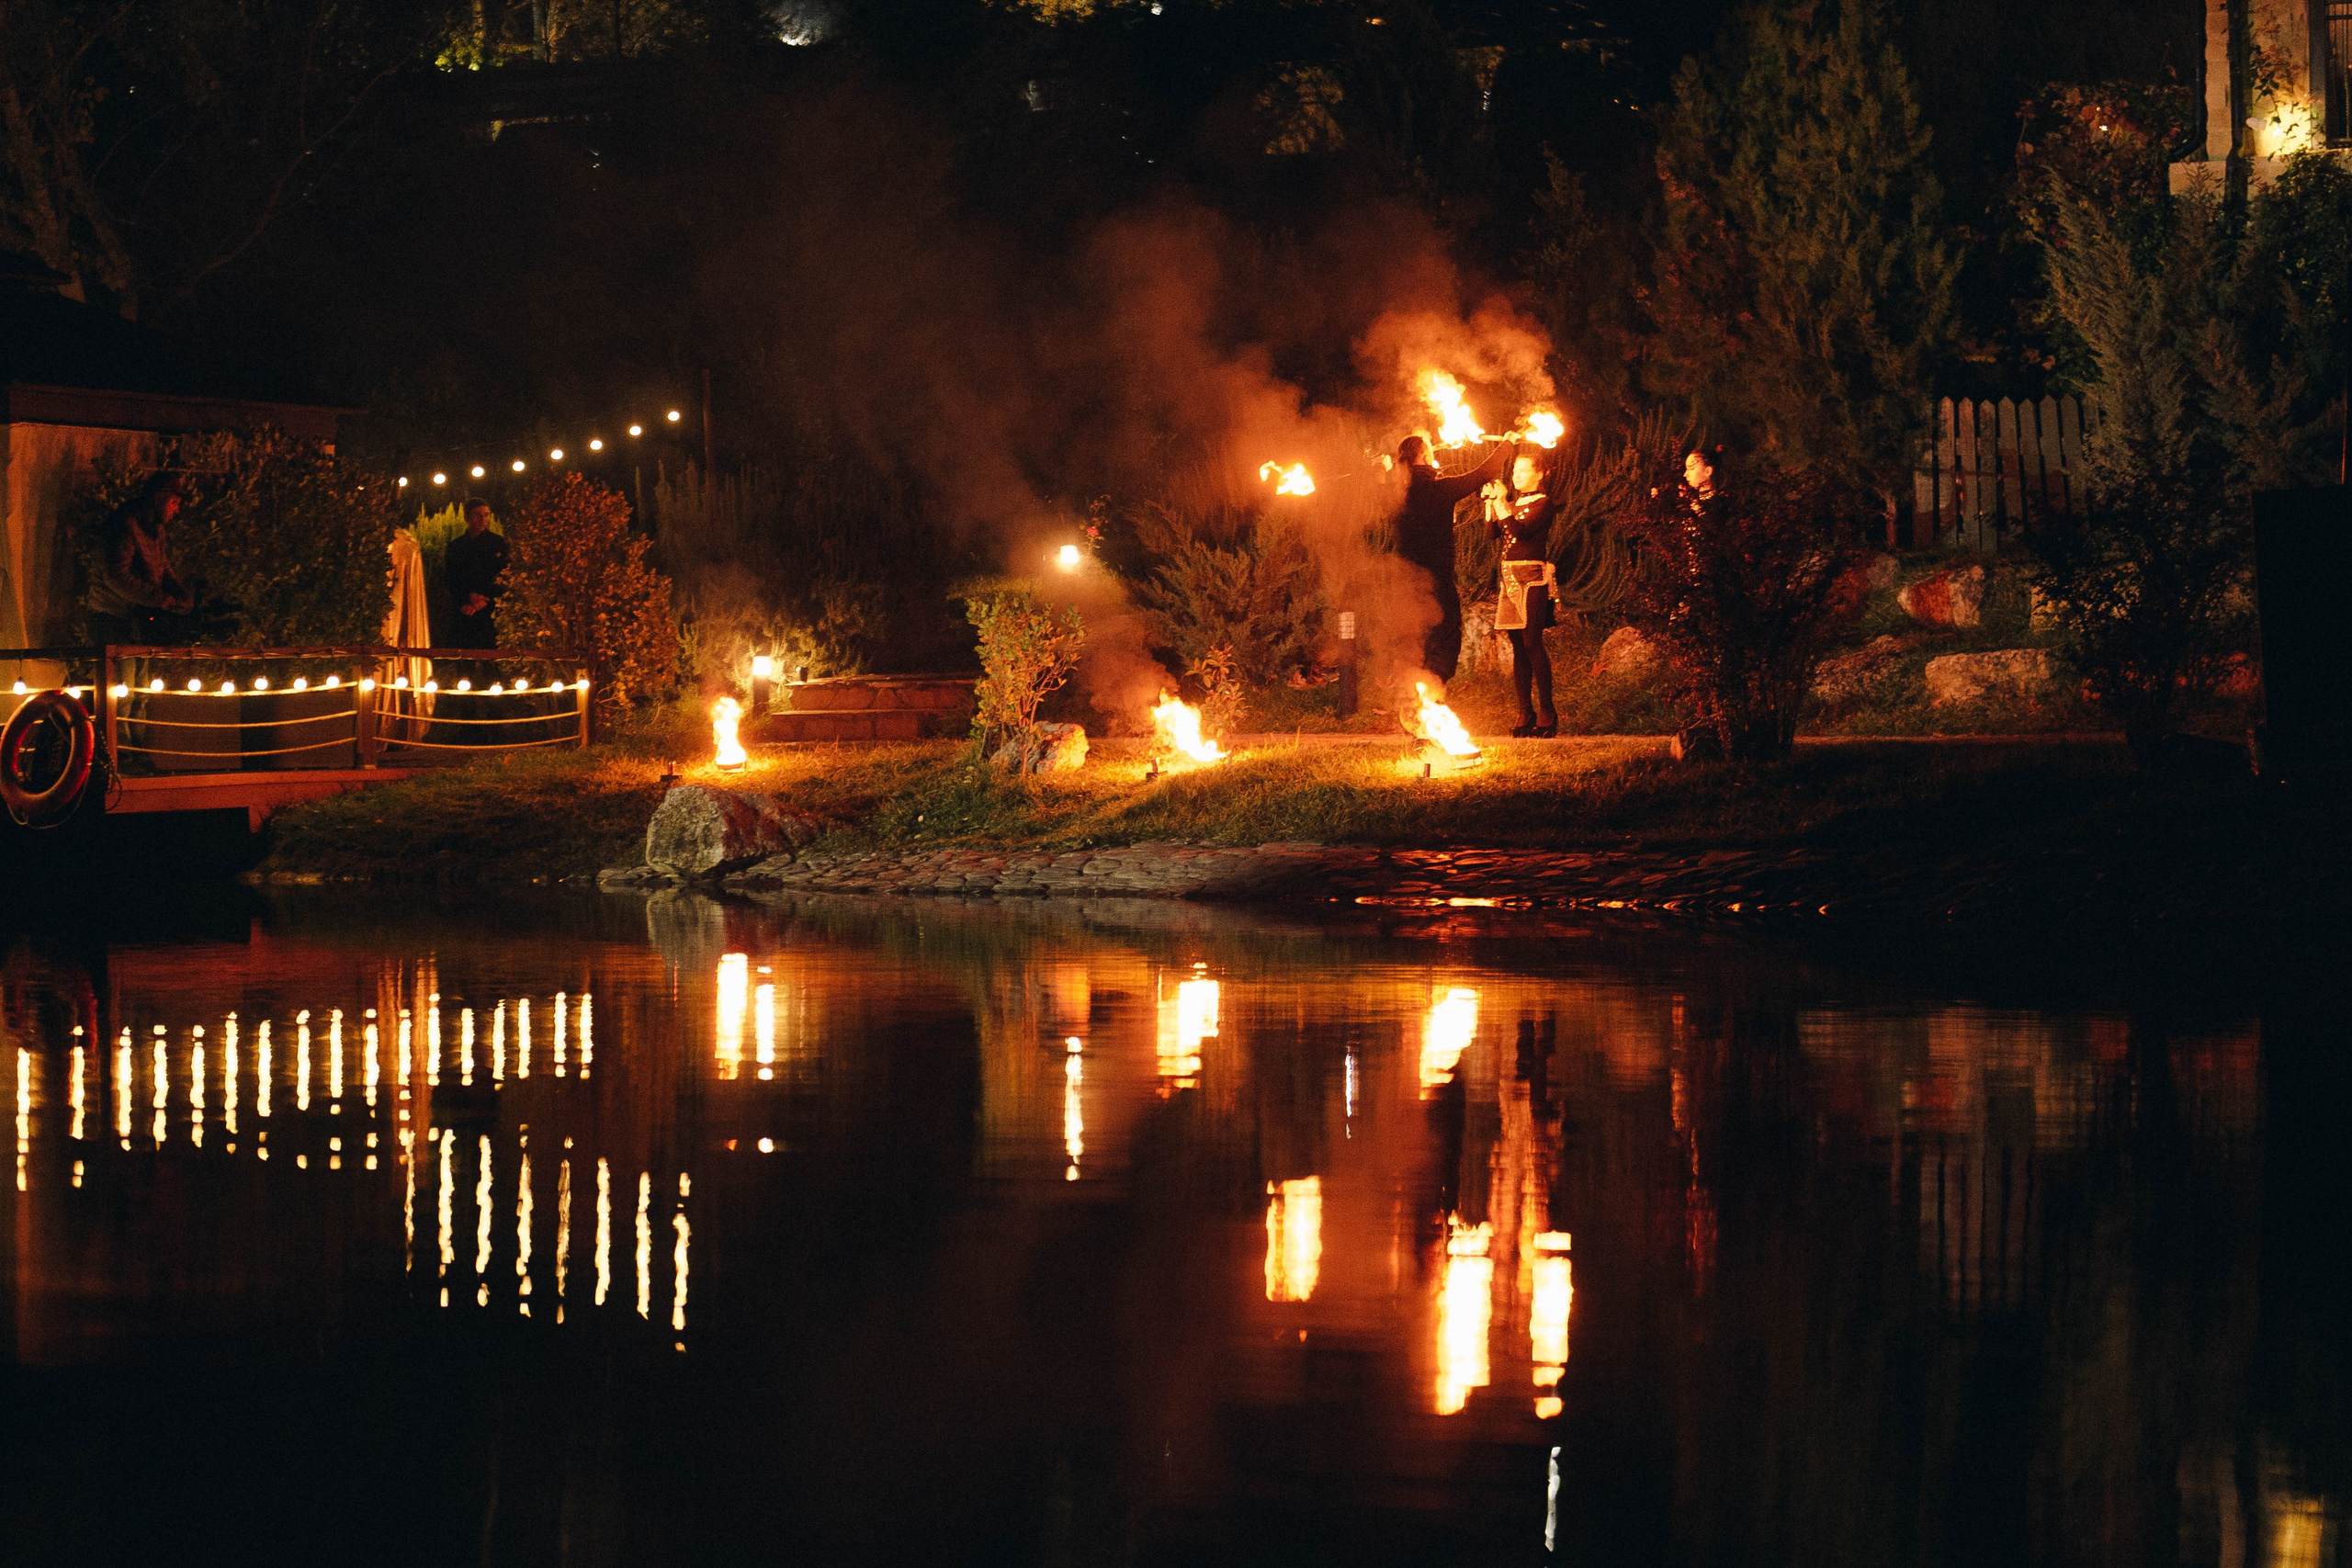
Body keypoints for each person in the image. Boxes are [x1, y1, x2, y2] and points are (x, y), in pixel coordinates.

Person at [1393, 434, 1516, 684]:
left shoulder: (1396, 493)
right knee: (1444, 637)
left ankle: (1413, 700)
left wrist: (1383, 469)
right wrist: (1507, 444)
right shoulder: (1439, 489)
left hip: (1405, 582)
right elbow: (1483, 474)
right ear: (1425, 456)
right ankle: (1431, 694)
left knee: (1415, 640)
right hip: (1436, 581)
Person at [84, 473, 196, 645]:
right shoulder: (123, 524)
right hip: (110, 618)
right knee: (124, 671)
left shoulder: (156, 529)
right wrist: (159, 598)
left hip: (135, 620)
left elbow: (161, 565)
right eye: (174, 503)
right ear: (158, 498)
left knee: (140, 671)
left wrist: (178, 592)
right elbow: (116, 576)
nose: (177, 510)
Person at [1492, 454, 1558, 737]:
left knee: (1532, 641)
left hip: (1532, 578)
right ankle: (1524, 710)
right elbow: (1493, 534)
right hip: (1509, 579)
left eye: (1523, 470)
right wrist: (1490, 503)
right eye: (1515, 470)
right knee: (1517, 644)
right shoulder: (1512, 504)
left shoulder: (1544, 504)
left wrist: (1500, 503)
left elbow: (1518, 532)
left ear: (1539, 474)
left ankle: (1547, 709)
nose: (1517, 475)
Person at [444, 500, 509, 652]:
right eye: (477, 515)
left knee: (490, 657)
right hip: (464, 610)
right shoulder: (456, 546)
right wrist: (466, 598)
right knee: (464, 658)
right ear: (467, 518)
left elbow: (504, 576)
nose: (482, 519)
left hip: (490, 610)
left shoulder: (498, 544)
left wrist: (485, 598)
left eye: (486, 515)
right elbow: (451, 578)